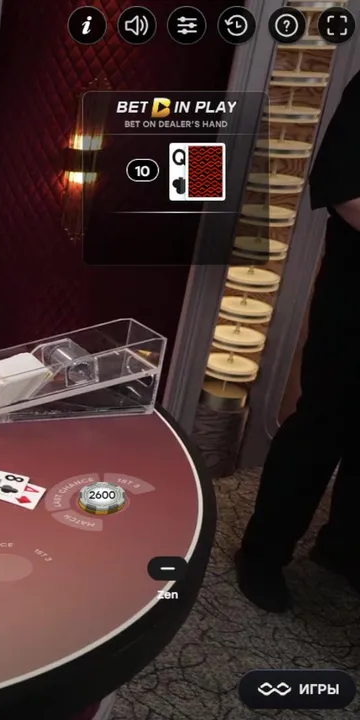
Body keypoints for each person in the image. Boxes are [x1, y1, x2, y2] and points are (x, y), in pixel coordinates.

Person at [235, 68, 360, 612]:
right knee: (322, 423)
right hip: (356, 297)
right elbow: (342, 189)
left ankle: (343, 548)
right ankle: (262, 555)